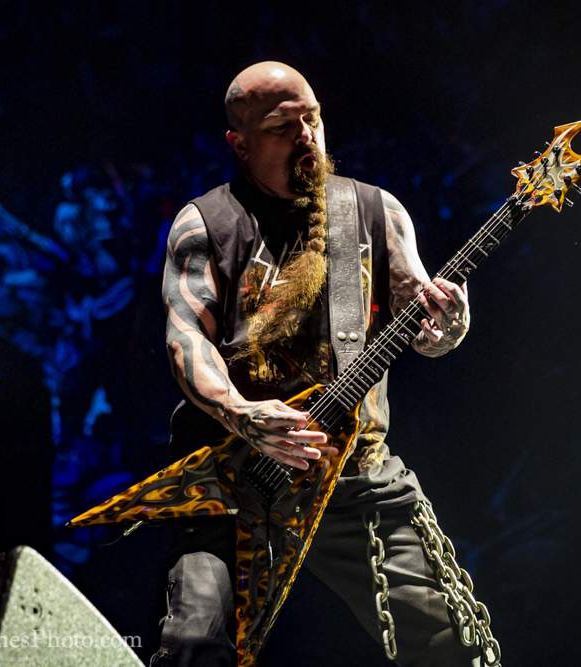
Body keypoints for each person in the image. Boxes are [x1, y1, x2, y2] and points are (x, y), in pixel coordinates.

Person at [151, 61, 495, 667]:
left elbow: (425, 326)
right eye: (282, 127)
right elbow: (187, 342)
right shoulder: (206, 225)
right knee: (193, 647)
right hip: (237, 478)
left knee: (451, 647)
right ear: (240, 143)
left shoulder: (374, 211)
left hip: (354, 478)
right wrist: (242, 413)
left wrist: (449, 327)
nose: (306, 136)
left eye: (312, 119)